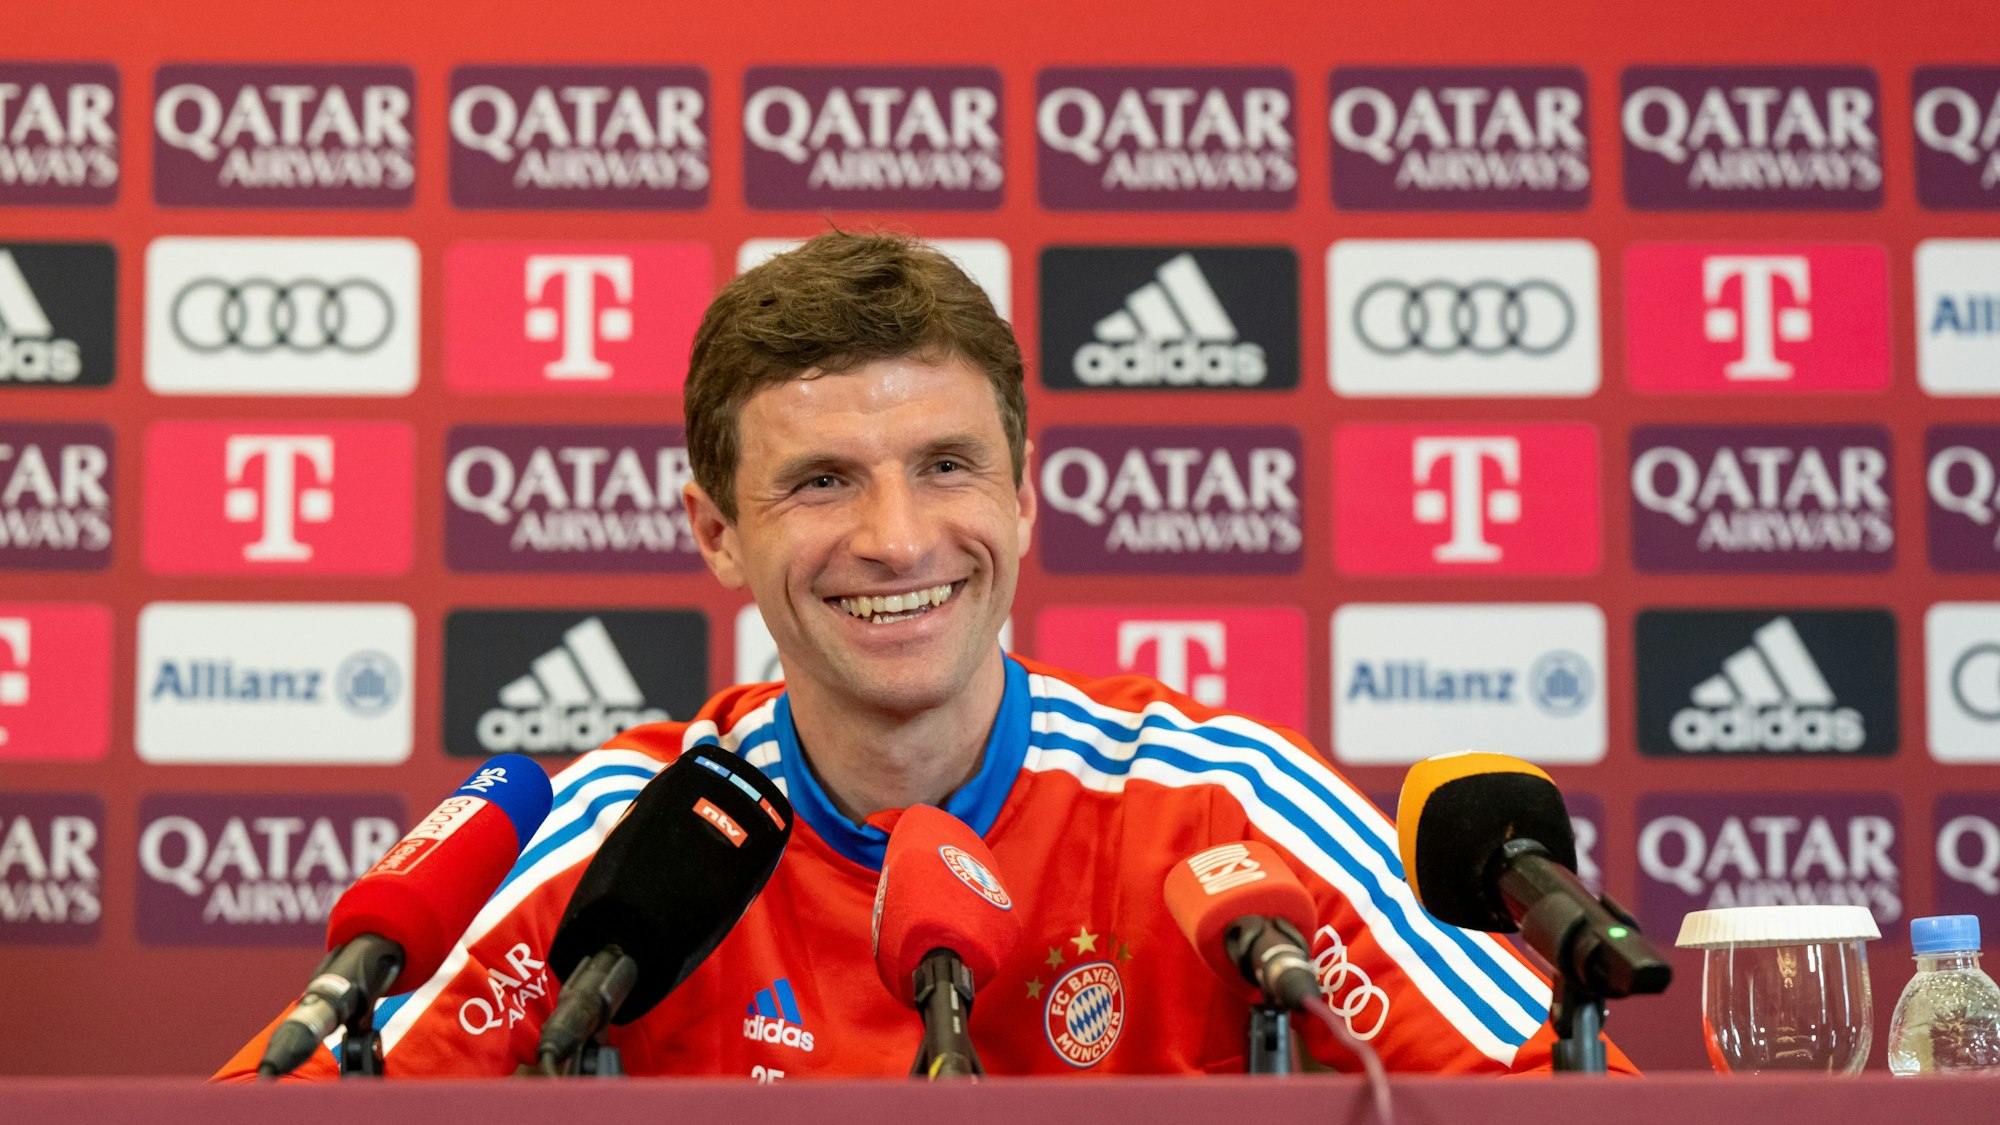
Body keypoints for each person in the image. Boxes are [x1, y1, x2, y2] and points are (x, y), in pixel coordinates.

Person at [217, 231, 1632, 1080]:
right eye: (822, 481)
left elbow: (1574, 1088)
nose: (898, 540)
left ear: (1025, 493)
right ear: (714, 530)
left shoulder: (1222, 810)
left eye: (946, 465)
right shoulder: (619, 852)